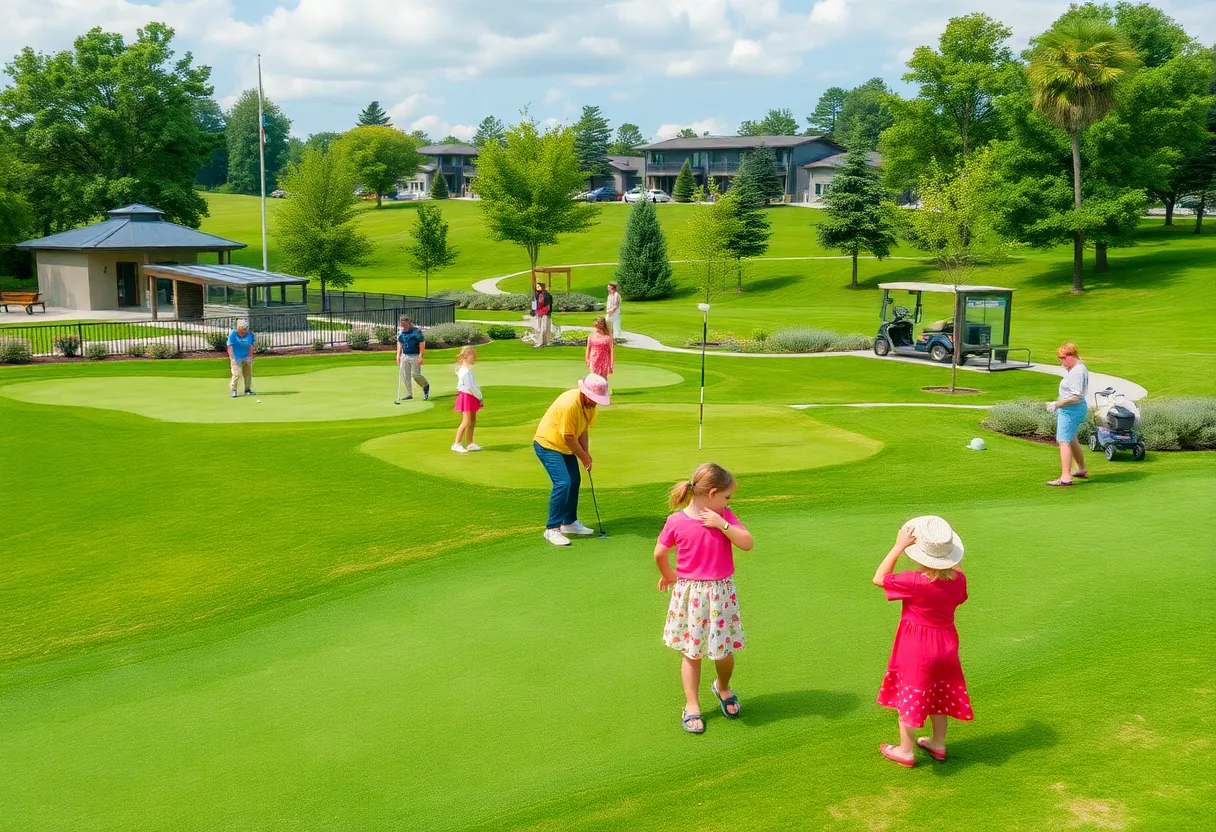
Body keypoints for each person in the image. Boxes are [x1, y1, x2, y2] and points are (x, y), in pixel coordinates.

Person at [656, 463, 754, 735]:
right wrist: (669, 576)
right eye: (727, 497)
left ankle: (722, 687)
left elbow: (746, 543)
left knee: (723, 652)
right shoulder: (676, 521)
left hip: (720, 593)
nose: (729, 502)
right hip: (692, 595)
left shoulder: (725, 517)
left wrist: (722, 524)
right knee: (692, 651)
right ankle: (692, 704)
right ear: (711, 493)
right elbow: (660, 552)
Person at [872, 515, 972, 767]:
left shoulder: (913, 581)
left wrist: (897, 547)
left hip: (916, 646)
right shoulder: (959, 580)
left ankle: (905, 750)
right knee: (939, 693)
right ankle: (938, 743)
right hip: (946, 644)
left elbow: (879, 578)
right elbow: (959, 592)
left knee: (909, 695)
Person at [533, 373, 610, 546]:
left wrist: (586, 454)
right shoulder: (570, 403)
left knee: (574, 480)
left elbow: (582, 430)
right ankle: (552, 529)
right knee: (563, 482)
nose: (595, 401)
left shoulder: (589, 405)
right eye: (593, 397)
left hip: (565, 446)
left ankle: (568, 522)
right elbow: (568, 436)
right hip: (547, 444)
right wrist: (583, 456)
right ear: (585, 392)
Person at [1047, 342, 1089, 487]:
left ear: (1071, 356)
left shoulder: (1077, 371)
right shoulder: (1079, 367)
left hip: (1071, 410)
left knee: (1063, 441)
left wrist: (1057, 404)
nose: (1062, 362)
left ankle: (1065, 477)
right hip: (1075, 409)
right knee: (1071, 438)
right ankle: (1081, 469)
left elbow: (1076, 396)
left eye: (1064, 358)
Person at [452, 346, 483, 453]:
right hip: (467, 396)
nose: (474, 358)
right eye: (473, 356)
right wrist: (479, 396)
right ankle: (456, 444)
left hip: (472, 396)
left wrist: (478, 396)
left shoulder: (466, 369)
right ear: (467, 356)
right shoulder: (464, 371)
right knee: (465, 421)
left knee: (473, 420)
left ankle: (470, 443)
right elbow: (470, 387)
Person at [395, 315, 430, 402]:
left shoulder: (416, 331)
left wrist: (421, 355)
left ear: (408, 322)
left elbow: (422, 343)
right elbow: (400, 342)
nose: (401, 325)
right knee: (404, 375)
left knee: (415, 374)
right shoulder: (401, 331)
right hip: (405, 355)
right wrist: (398, 355)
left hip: (415, 355)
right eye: (401, 323)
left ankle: (425, 386)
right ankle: (409, 393)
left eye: (403, 323)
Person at [227, 319, 256, 398]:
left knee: (248, 374)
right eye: (244, 328)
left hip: (246, 356)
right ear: (239, 328)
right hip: (236, 357)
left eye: (246, 328)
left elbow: (251, 346)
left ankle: (247, 390)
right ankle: (234, 390)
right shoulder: (233, 334)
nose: (245, 330)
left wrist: (250, 357)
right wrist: (232, 359)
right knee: (236, 374)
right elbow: (230, 346)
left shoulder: (250, 334)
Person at [533, 282, 554, 349]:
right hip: (538, 313)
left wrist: (542, 312)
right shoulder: (536, 294)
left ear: (542, 287)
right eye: (537, 287)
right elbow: (534, 303)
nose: (537, 288)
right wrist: (534, 311)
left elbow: (548, 306)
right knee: (538, 328)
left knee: (544, 328)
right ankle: (541, 342)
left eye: (538, 286)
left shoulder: (546, 295)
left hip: (545, 313)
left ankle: (541, 343)